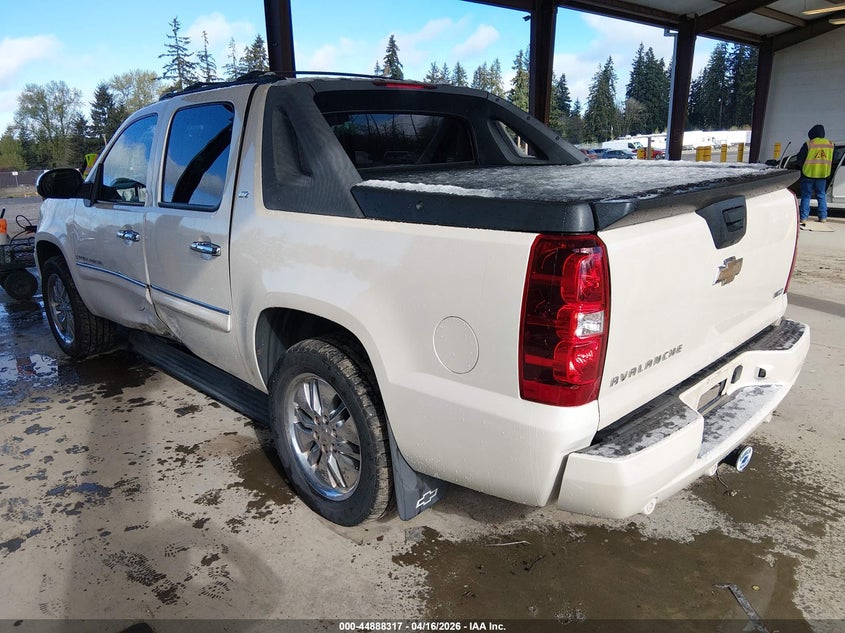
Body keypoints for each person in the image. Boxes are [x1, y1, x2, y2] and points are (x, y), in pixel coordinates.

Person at [795, 124, 833, 226]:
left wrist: (800, 166)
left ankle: (803, 218)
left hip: (808, 174)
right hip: (822, 174)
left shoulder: (809, 144)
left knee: (806, 196)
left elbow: (800, 159)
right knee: (821, 195)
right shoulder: (830, 144)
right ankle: (823, 217)